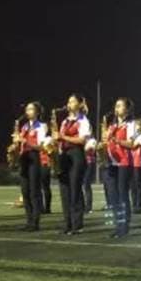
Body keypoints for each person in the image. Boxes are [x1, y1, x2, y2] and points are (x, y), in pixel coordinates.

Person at [54, 94, 91, 235]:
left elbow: (82, 140)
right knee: (64, 190)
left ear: (80, 104)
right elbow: (60, 139)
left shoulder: (83, 120)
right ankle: (67, 223)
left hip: (77, 154)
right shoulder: (64, 121)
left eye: (72, 101)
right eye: (68, 101)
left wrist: (62, 137)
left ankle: (77, 224)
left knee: (75, 189)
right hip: (64, 155)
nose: (69, 104)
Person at [105, 97, 136, 237]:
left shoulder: (131, 124)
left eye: (120, 106)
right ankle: (117, 225)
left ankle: (124, 226)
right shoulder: (112, 125)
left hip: (124, 162)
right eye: (115, 105)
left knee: (123, 195)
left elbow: (132, 144)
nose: (116, 108)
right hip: (111, 162)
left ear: (127, 109)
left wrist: (117, 141)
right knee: (113, 196)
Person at [16, 102, 47, 231]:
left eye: (30, 109)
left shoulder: (41, 126)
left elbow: (41, 146)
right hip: (24, 159)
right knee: (25, 191)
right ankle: (28, 221)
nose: (27, 111)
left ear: (37, 112)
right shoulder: (24, 127)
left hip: (34, 158)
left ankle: (35, 222)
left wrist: (25, 142)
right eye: (27, 109)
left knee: (34, 192)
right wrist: (16, 145)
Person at [130, 119, 141, 214]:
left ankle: (139, 205)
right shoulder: (133, 136)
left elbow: (133, 146)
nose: (136, 127)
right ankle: (133, 204)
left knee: (138, 185)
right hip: (131, 162)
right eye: (135, 125)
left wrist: (129, 142)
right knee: (132, 185)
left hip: (138, 162)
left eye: (137, 125)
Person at [82, 135, 97, 214]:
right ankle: (82, 206)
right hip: (81, 163)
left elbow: (88, 149)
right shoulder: (82, 138)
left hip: (89, 163)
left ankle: (88, 206)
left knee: (87, 184)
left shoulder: (92, 140)